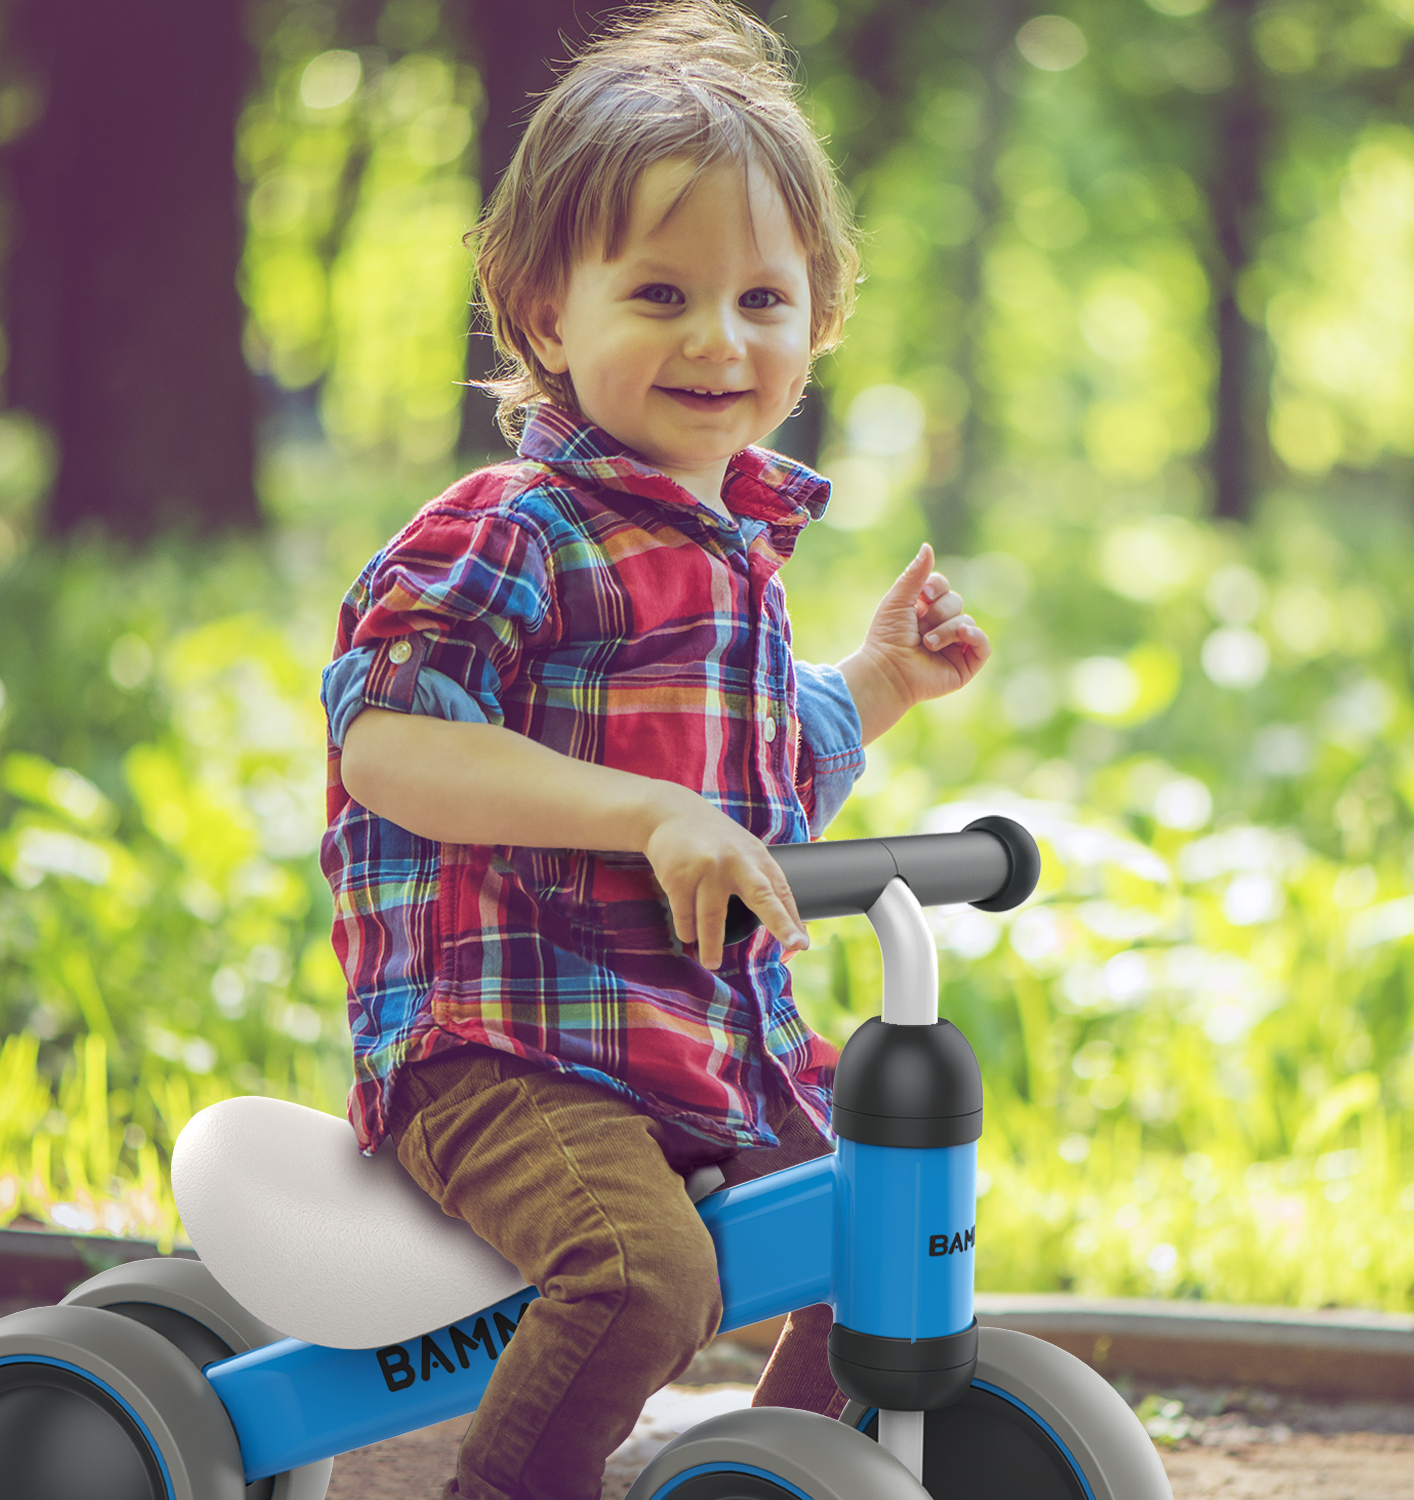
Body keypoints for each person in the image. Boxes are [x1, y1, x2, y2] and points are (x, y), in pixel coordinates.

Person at [319, 4, 990, 1496]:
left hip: (694, 1041)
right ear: (549, 316)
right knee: (640, 1279)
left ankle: (787, 1476)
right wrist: (649, 815)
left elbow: (745, 784)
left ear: (820, 319)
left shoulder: (736, 551)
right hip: (505, 1045)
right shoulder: (510, 525)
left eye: (762, 298)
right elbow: (389, 746)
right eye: (662, 292)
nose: (717, 337)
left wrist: (875, 684)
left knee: (887, 1227)